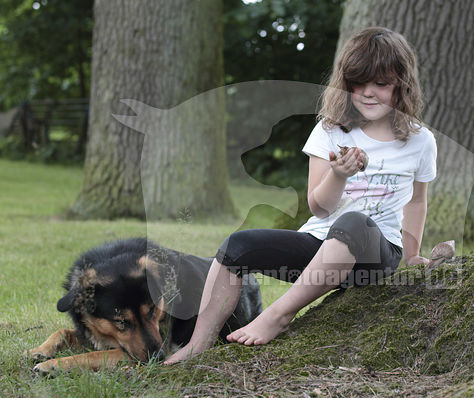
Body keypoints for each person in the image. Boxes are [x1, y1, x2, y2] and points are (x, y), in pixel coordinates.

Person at [163, 27, 437, 365]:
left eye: (381, 84)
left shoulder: (420, 141)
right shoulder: (330, 130)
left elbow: (417, 200)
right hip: (320, 246)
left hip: (375, 255)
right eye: (358, 82)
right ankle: (198, 342)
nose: (368, 93)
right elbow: (318, 208)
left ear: (402, 84)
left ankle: (278, 315)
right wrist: (338, 174)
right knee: (237, 245)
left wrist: (411, 256)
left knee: (353, 223)